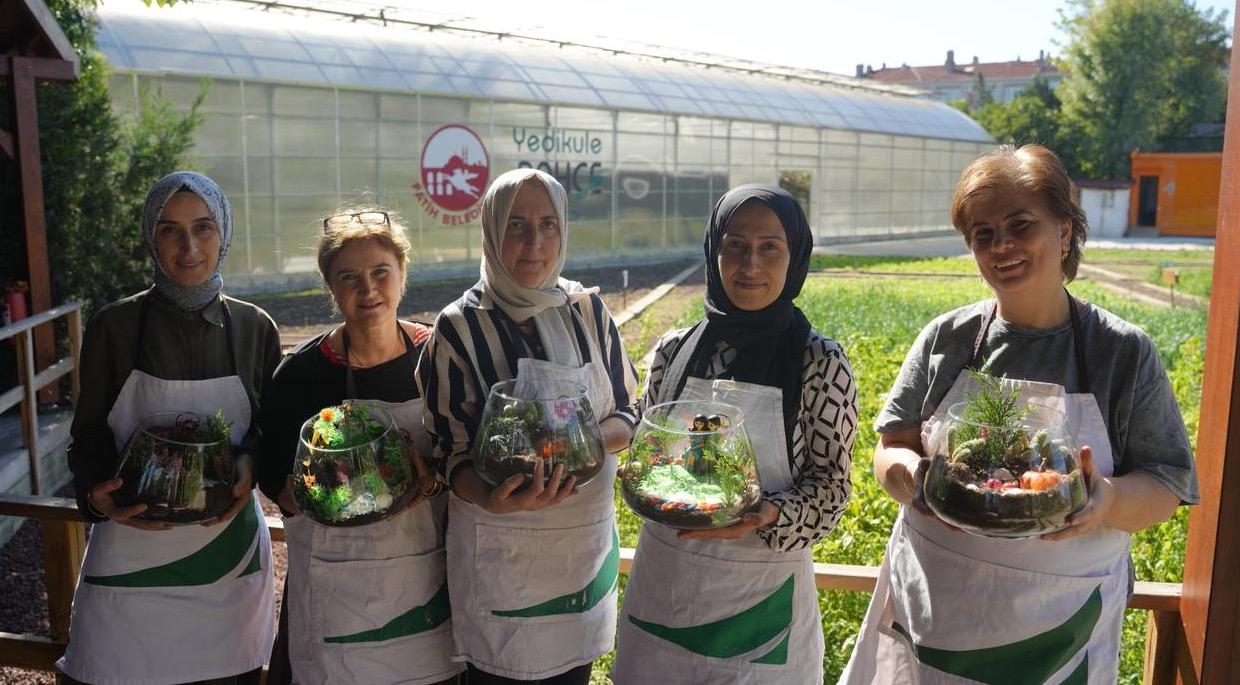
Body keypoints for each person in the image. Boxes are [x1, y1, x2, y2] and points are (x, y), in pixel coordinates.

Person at [839, 144, 1200, 684]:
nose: (1000, 245)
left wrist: (1106, 500)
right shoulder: (946, 338)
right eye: (982, 233)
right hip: (937, 612)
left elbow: (1166, 484)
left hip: (1058, 626)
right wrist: (916, 480)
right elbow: (891, 445)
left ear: (1064, 231)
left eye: (1020, 224)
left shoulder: (1121, 352)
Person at [611, 184, 856, 684]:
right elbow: (647, 451)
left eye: (770, 246)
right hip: (667, 584)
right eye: (735, 245)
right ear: (713, 250)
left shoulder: (819, 363)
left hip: (760, 598)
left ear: (796, 256)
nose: (750, 265)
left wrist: (770, 513)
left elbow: (832, 487)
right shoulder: (673, 351)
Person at [417, 168, 638, 684]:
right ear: (491, 231)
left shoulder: (588, 311)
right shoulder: (458, 327)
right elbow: (448, 453)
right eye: (516, 225)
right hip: (502, 550)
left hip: (579, 552)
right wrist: (493, 497)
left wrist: (575, 442)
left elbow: (629, 413)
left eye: (548, 224)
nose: (534, 242)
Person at [58, 172, 280, 685]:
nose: (188, 247)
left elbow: (270, 430)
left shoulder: (255, 329)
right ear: (150, 238)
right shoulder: (114, 326)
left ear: (224, 233)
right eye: (169, 230)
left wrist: (250, 460)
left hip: (225, 557)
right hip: (130, 549)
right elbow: (88, 434)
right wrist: (98, 495)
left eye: (203, 228)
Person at [256, 208, 462, 685]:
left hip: (426, 584)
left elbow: (464, 459)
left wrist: (430, 481)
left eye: (379, 272)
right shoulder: (301, 376)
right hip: (336, 597)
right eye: (349, 276)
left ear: (403, 274)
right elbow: (280, 486)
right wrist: (329, 494)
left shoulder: (441, 360)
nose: (367, 289)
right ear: (331, 287)